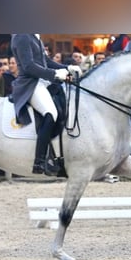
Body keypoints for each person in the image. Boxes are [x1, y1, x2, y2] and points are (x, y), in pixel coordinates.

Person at [10, 34, 82, 175]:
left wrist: (68, 68)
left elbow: (46, 62)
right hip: (30, 83)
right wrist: (54, 74)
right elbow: (28, 66)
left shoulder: (34, 35)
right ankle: (39, 161)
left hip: (42, 82)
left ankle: (58, 155)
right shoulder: (22, 36)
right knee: (50, 113)